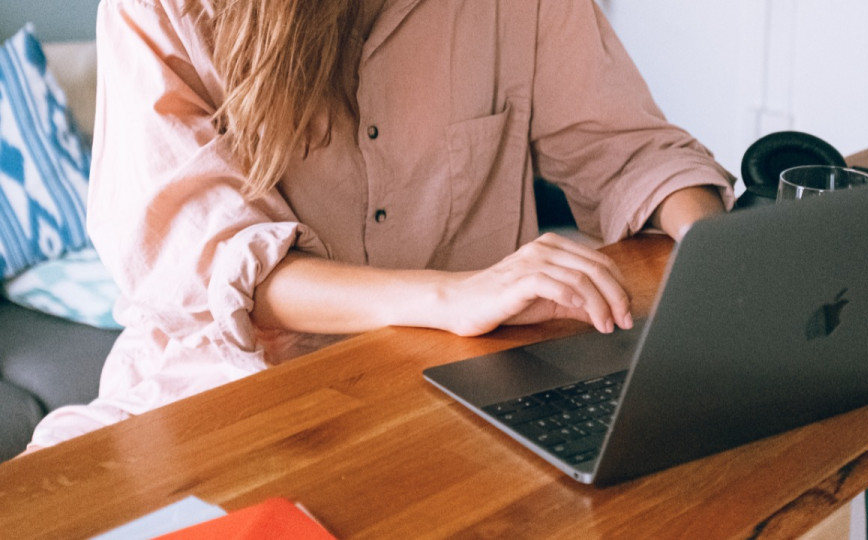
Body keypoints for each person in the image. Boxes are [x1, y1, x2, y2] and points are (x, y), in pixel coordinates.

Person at [25, 0, 735, 452]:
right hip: (217, 396)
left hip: (459, 403)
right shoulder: (159, 9)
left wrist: (720, 261)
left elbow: (630, 149)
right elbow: (211, 261)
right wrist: (452, 295)